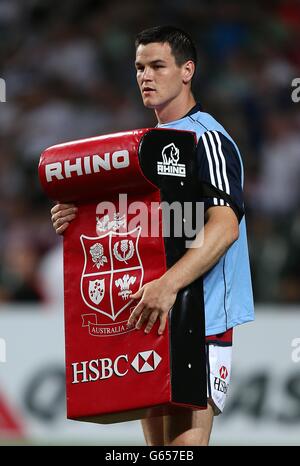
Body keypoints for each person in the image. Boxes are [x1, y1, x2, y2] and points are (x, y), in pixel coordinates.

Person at [50, 25, 254, 446]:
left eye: (158, 65)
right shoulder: (147, 146)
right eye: (139, 67)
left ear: (187, 71)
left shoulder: (207, 138)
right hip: (151, 313)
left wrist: (169, 284)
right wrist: (76, 215)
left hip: (199, 315)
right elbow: (130, 223)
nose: (145, 75)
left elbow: (225, 224)